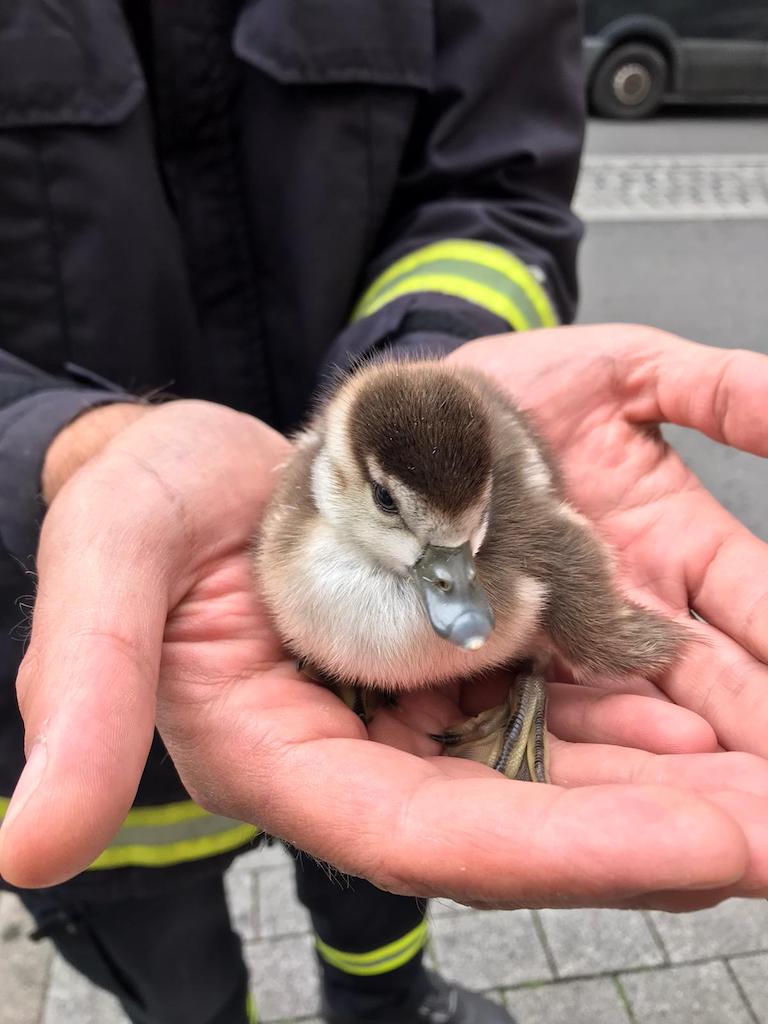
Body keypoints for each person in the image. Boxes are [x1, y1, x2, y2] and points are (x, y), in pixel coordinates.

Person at [3, 2, 768, 1024]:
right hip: (50, 648)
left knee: (378, 891)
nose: (458, 582)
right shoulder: (306, 536)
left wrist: (443, 341)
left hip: (403, 512)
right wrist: (58, 443)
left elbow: (496, 185)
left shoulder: (486, 537)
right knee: (172, 972)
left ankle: (390, 1005)